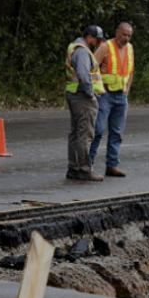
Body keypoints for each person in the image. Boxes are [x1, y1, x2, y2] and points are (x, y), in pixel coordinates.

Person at [90, 22, 135, 177]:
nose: (126, 38)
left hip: (121, 96)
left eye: (129, 35)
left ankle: (112, 165)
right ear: (117, 33)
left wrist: (127, 89)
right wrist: (96, 90)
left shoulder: (130, 48)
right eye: (124, 35)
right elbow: (92, 67)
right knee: (98, 130)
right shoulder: (106, 47)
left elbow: (130, 71)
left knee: (117, 132)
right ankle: (87, 164)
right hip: (105, 95)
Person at [65, 25, 105, 182]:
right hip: (83, 97)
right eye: (96, 39)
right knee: (84, 134)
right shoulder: (82, 51)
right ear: (89, 37)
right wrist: (90, 95)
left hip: (75, 94)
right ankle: (83, 169)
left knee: (76, 133)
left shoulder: (75, 47)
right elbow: (83, 74)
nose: (98, 43)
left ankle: (74, 168)